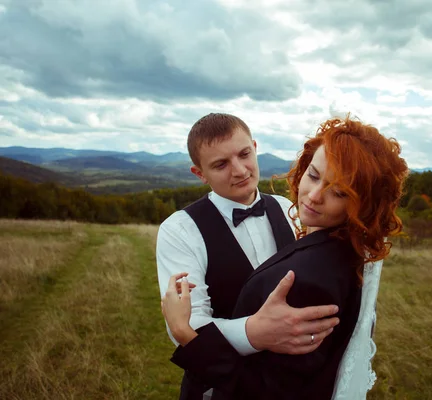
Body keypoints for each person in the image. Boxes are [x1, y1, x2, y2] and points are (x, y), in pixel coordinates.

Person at [161, 116, 409, 399]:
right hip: (208, 388)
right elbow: (189, 322)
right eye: (221, 164)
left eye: (245, 154)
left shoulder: (286, 208)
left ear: (254, 147)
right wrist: (254, 332)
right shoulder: (180, 230)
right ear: (199, 173)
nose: (240, 170)